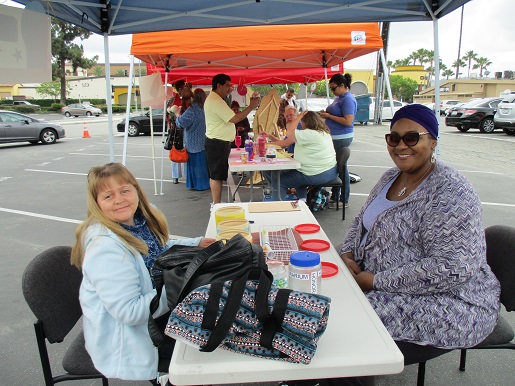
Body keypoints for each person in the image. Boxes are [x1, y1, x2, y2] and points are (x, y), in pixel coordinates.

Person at [338, 104, 500, 381]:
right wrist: (348, 253)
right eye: (394, 138)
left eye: (412, 137)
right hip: (382, 281)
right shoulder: (391, 176)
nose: (401, 145)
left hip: (451, 301)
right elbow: (361, 220)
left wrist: (373, 281)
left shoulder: (452, 193)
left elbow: (451, 268)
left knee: (347, 323)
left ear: (433, 142)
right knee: (323, 292)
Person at [70, 163, 215, 381]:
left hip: (155, 315)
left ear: (136, 190)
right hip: (136, 337)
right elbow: (131, 312)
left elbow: (159, 250)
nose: (119, 200)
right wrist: (185, 284)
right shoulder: (105, 249)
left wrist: (196, 244)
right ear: (97, 204)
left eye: (125, 190)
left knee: (219, 307)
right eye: (108, 196)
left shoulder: (137, 223)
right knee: (213, 341)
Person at [204, 73, 260, 205]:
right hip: (217, 142)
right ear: (219, 86)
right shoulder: (216, 101)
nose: (230, 88)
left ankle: (216, 203)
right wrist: (251, 106)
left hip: (217, 142)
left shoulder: (215, 99)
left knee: (216, 176)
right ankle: (216, 205)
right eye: (227, 85)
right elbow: (235, 118)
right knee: (216, 176)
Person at [263, 111, 337, 201]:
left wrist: (299, 117)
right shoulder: (323, 133)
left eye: (302, 122)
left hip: (315, 173)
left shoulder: (309, 133)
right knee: (292, 175)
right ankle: (302, 202)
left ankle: (279, 209)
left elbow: (289, 133)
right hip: (328, 171)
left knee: (279, 182)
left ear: (305, 122)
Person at [319, 73, 356, 208]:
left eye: (334, 88)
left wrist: (328, 115)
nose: (333, 91)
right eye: (331, 89)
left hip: (341, 137)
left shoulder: (347, 100)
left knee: (341, 168)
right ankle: (336, 196)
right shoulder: (340, 98)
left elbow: (348, 121)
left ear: (342, 85)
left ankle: (343, 199)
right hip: (335, 137)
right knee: (337, 167)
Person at [176, 88, 210, 191]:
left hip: (193, 142)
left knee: (194, 166)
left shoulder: (192, 110)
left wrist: (177, 115)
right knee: (203, 165)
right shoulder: (205, 109)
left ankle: (196, 185)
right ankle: (204, 183)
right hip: (205, 141)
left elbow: (181, 123)